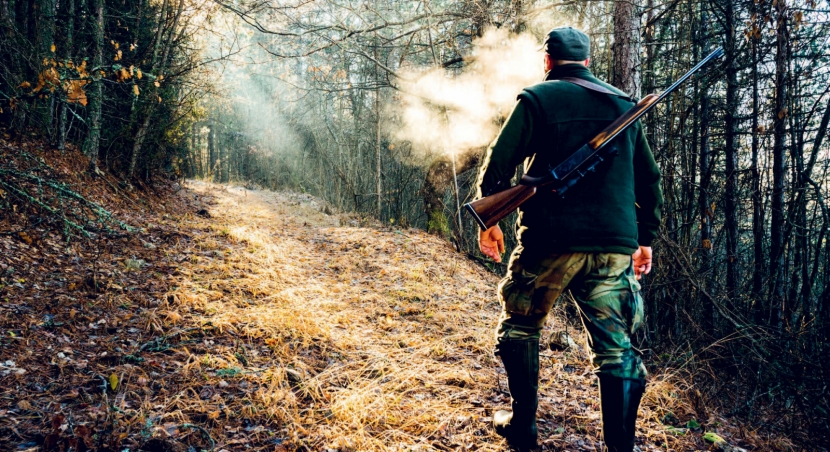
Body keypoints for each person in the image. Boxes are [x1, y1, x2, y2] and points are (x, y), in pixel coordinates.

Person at [474, 27, 663, 451]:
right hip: (614, 247)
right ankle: (620, 446)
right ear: (589, 62)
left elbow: (498, 165)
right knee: (617, 350)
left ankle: (522, 426)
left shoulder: (537, 99)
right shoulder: (623, 105)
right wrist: (644, 237)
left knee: (522, 328)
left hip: (549, 241)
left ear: (547, 60)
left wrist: (490, 220)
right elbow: (649, 180)